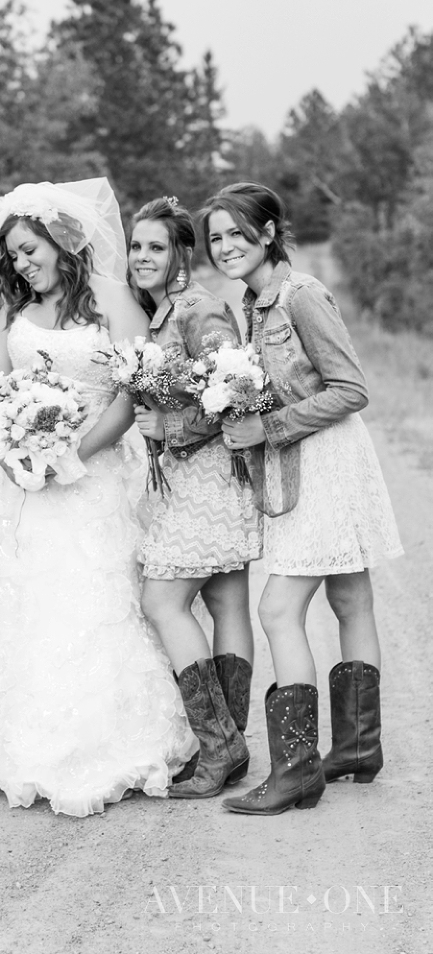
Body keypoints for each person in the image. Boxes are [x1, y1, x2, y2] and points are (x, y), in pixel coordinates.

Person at [0, 178, 197, 817]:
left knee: (99, 600)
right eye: (12, 254)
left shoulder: (113, 301)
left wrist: (74, 453)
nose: (21, 263)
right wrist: (12, 449)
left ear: (60, 241)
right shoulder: (14, 315)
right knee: (36, 602)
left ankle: (115, 741)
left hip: (95, 477)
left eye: (28, 249)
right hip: (29, 488)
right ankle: (34, 746)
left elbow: (132, 392)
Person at [201, 182, 403, 816]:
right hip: (302, 460)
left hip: (327, 460)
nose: (225, 246)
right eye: (215, 238)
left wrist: (271, 426)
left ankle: (295, 771)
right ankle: (357, 748)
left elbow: (352, 388)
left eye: (237, 232)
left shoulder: (302, 296)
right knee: (349, 596)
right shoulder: (256, 305)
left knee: (279, 609)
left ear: (268, 233)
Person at [128, 197, 261, 799]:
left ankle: (219, 745)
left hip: (206, 476)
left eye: (156, 247)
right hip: (198, 478)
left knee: (163, 602)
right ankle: (230, 747)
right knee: (226, 599)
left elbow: (234, 390)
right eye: (135, 246)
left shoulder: (200, 310)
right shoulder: (165, 313)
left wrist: (170, 429)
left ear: (182, 253)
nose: (141, 257)